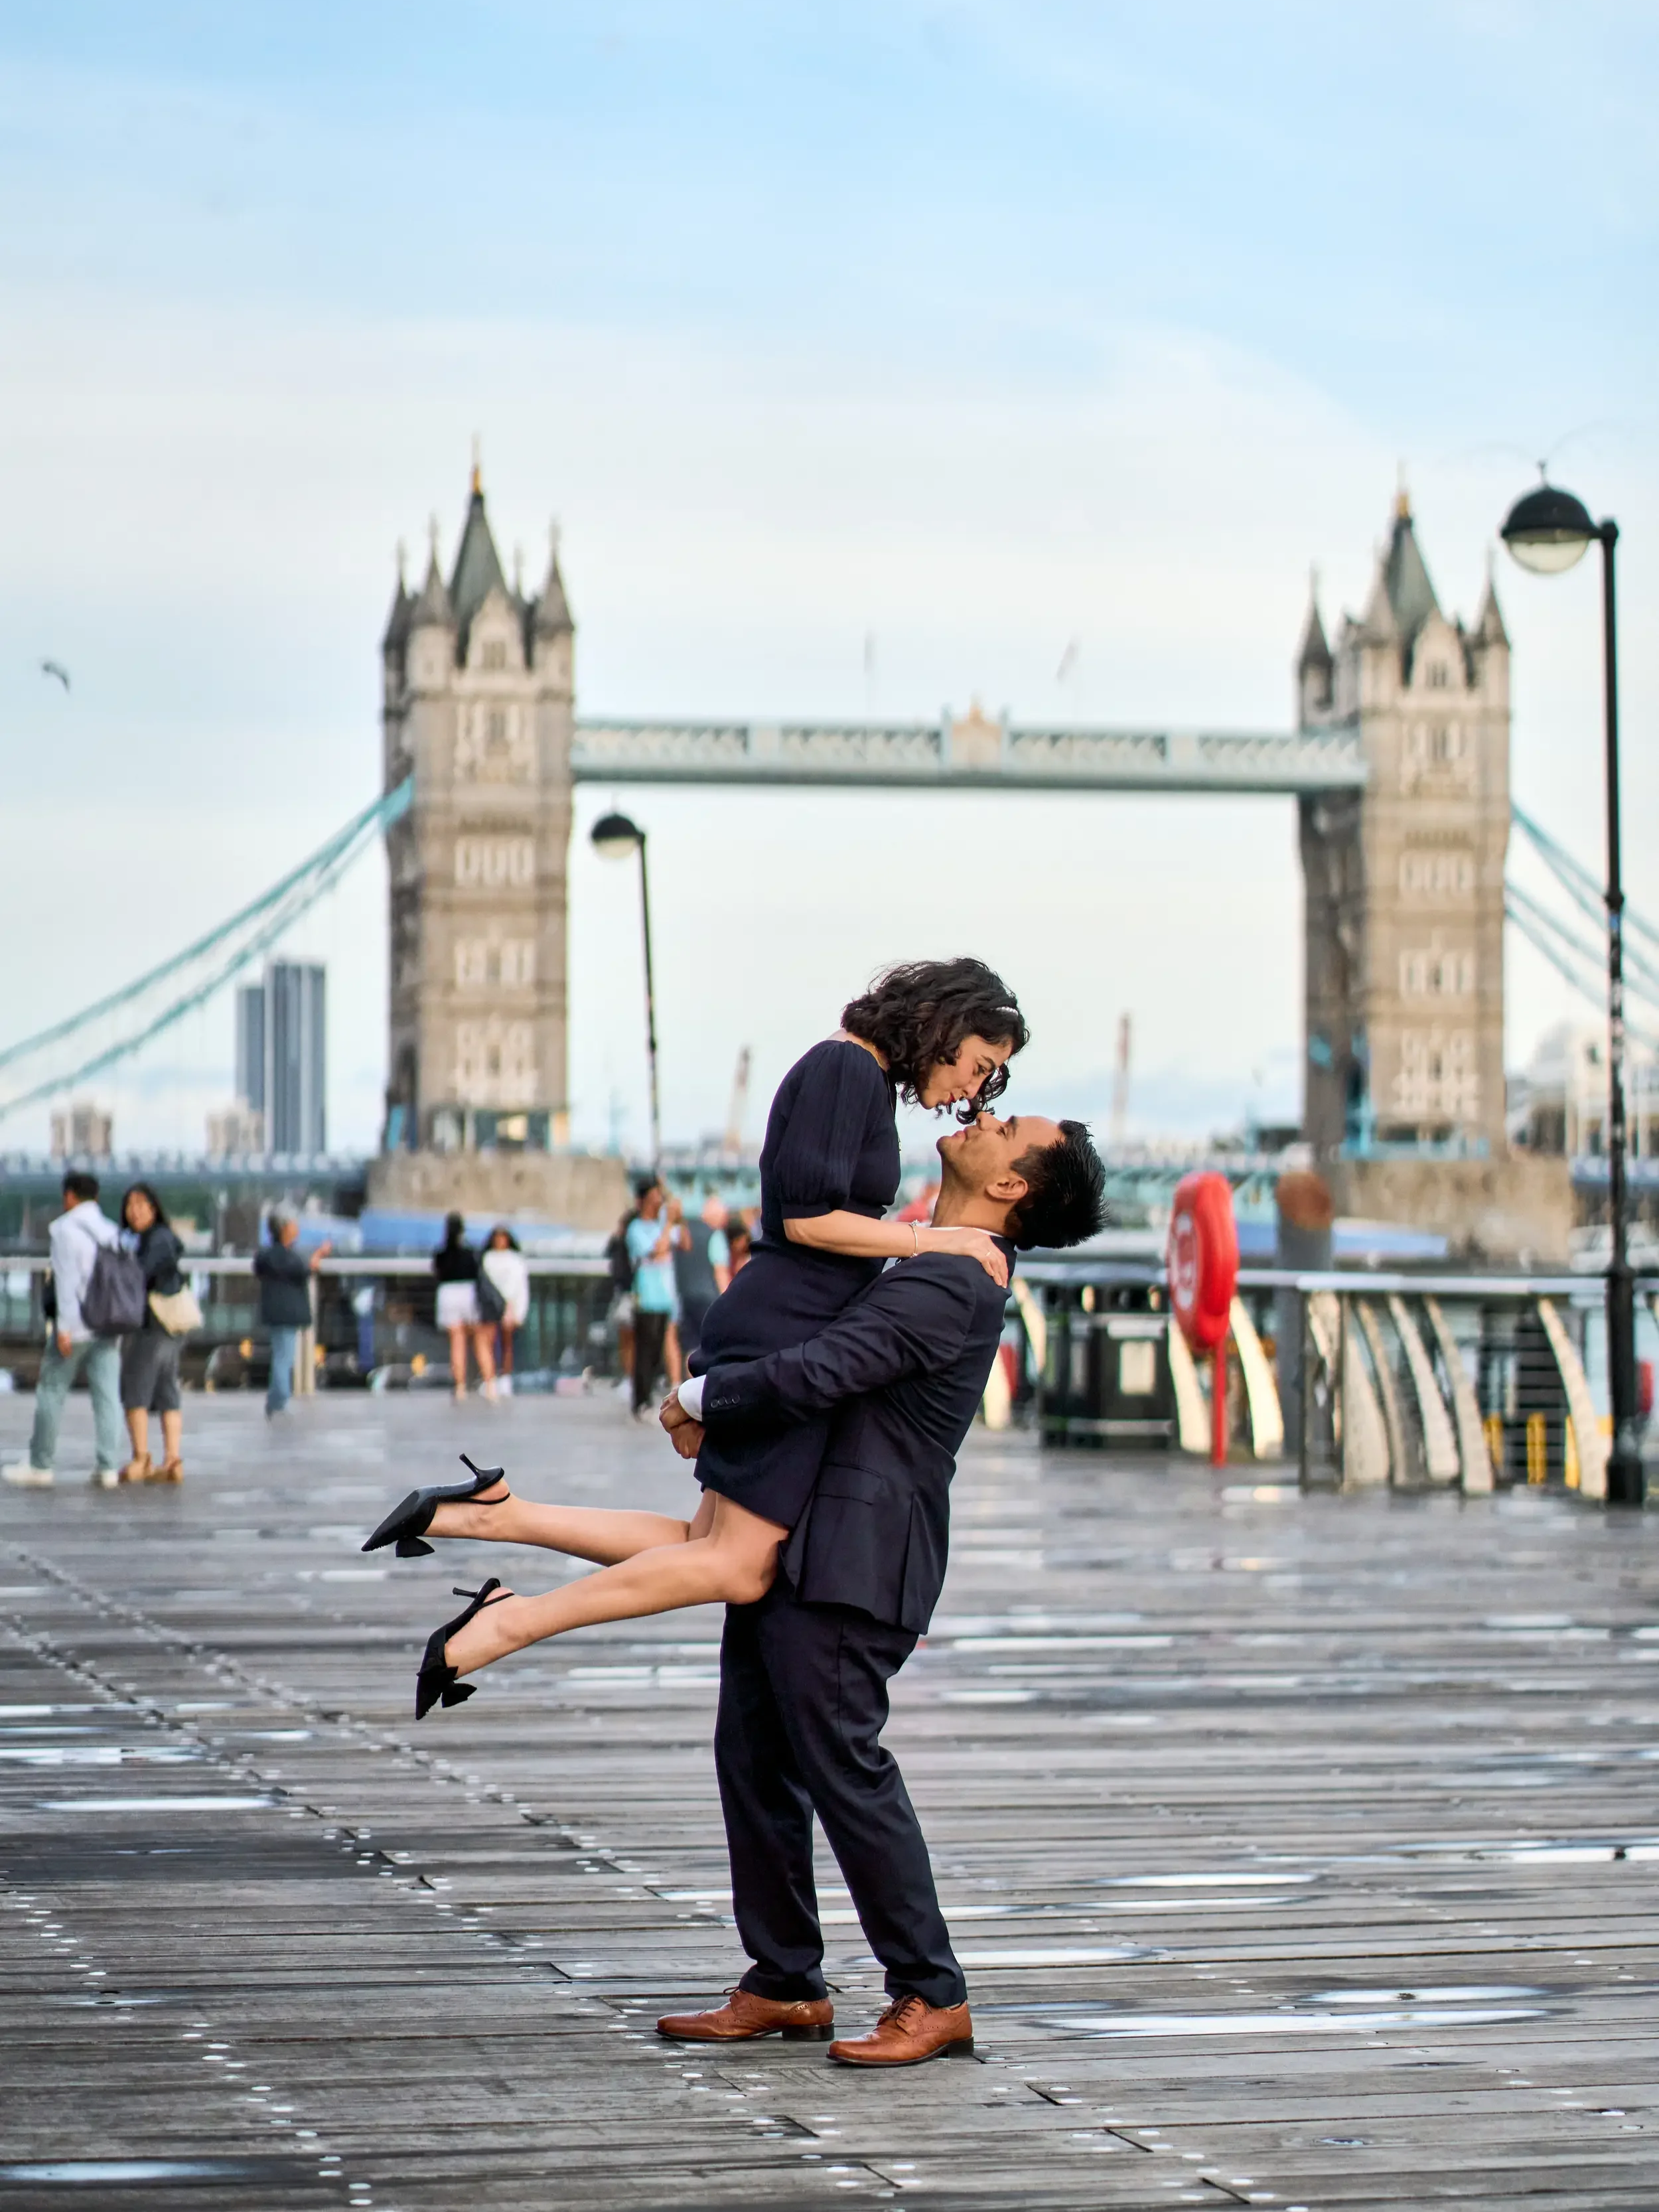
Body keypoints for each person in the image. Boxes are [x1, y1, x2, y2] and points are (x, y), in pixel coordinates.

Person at [366, 958, 1031, 1681]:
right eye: (980, 1065)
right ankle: (505, 1622)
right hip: (790, 1316)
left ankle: (495, 1515)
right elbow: (808, 1222)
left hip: (786, 1312)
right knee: (735, 1565)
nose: (975, 1091)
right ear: (943, 1024)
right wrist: (932, 1238)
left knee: (707, 1540)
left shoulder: (857, 1077)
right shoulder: (847, 1072)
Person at [657, 1111, 1106, 2065]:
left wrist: (701, 1398)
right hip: (805, 1534)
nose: (982, 1113)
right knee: (754, 1753)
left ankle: (932, 1991)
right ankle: (783, 1980)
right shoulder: (933, 1252)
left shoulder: (955, 1275)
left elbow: (825, 1370)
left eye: (1009, 1123)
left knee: (843, 1764)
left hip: (859, 1554)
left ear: (1014, 1185)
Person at [3, 1170, 124, 1489]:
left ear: (69, 1195)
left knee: (52, 1390)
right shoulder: (111, 1230)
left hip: (78, 1324)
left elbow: (66, 1282)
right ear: (96, 1197)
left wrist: (64, 1327)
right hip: (109, 1323)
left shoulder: (64, 1230)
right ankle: (109, 1466)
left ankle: (41, 1464)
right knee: (108, 1396)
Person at [117, 1182, 188, 1484]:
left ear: (154, 1208)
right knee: (166, 1388)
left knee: (136, 1387)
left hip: (151, 1322)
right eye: (130, 1205)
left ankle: (141, 1457)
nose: (135, 1211)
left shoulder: (152, 1240)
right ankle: (172, 1459)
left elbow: (139, 1275)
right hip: (170, 1323)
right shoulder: (164, 1237)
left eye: (141, 1204)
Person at [254, 1207, 330, 1417]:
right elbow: (304, 1270)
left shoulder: (267, 1256)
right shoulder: (286, 1257)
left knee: (281, 1355)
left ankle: (275, 1399)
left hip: (275, 1313)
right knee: (284, 1358)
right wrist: (319, 1255)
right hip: (286, 1315)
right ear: (285, 1229)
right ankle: (280, 1401)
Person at [626, 1179, 683, 1416]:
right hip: (646, 1298)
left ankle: (650, 1397)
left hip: (664, 1299)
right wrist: (668, 1223)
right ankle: (640, 1402)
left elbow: (685, 1240)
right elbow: (657, 1249)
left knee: (658, 1351)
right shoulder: (636, 1229)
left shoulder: (664, 1225)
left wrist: (673, 1215)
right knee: (645, 1352)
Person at [431, 1212, 496, 1404]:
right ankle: (490, 1384)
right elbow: (477, 1273)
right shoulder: (470, 1252)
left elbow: (437, 1273)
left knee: (457, 1344)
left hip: (447, 1294)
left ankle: (460, 1387)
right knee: (480, 1341)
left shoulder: (441, 1253)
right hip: (468, 1293)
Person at [672, 1192, 731, 1364]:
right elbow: (720, 1272)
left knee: (690, 1348)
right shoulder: (715, 1236)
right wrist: (728, 1301)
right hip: (709, 1299)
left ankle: (689, 1388)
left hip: (686, 1297)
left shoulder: (683, 1234)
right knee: (710, 1347)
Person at [481, 1226, 531, 1394]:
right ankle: (490, 1377)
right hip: (490, 1307)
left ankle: (505, 1377)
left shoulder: (515, 1260)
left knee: (506, 1343)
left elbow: (520, 1287)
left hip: (510, 1306)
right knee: (489, 1343)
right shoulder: (487, 1258)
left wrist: (517, 1310)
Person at [603, 1205, 638, 1392]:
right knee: (626, 1338)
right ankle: (629, 1377)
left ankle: (634, 1378)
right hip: (625, 1293)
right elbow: (608, 1251)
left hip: (634, 1292)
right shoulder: (620, 1243)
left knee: (633, 1341)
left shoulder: (635, 1242)